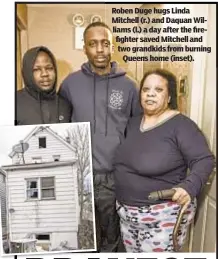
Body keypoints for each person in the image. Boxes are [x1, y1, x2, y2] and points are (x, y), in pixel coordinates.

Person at [58, 22, 142, 252]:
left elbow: (138, 131)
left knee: (112, 237)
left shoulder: (129, 86)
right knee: (82, 237)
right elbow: (60, 126)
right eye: (93, 44)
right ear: (84, 48)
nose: (100, 49)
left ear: (112, 46)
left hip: (113, 177)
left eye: (105, 43)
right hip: (79, 176)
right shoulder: (70, 85)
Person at [113, 68, 215, 252]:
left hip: (162, 219)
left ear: (169, 97)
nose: (150, 93)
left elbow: (204, 159)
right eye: (146, 89)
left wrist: (189, 186)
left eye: (158, 90)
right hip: (128, 218)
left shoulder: (181, 125)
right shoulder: (133, 123)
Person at [16, 46, 71, 125]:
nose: (45, 74)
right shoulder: (14, 103)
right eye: (36, 69)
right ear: (26, 73)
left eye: (49, 68)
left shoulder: (65, 105)